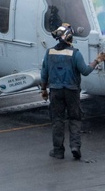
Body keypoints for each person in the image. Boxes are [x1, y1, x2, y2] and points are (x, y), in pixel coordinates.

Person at [40, 23, 103, 160]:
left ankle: (58, 151)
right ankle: (75, 147)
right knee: (74, 118)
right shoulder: (75, 54)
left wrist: (44, 90)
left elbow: (44, 73)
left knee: (57, 120)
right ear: (69, 38)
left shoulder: (49, 52)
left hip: (55, 92)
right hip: (72, 92)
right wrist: (97, 61)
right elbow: (85, 71)